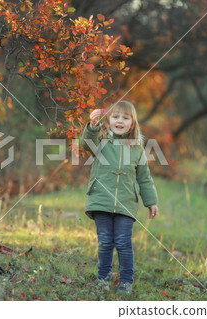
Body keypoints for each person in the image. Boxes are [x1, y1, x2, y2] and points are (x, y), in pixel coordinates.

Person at [79, 100, 159, 294]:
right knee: (105, 241)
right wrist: (92, 126)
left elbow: (144, 178)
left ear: (132, 123)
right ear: (108, 121)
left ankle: (125, 281)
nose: (120, 121)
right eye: (115, 117)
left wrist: (151, 201)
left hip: (126, 202)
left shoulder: (137, 149)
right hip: (101, 200)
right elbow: (86, 143)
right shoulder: (101, 143)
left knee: (123, 242)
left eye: (125, 118)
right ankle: (103, 278)